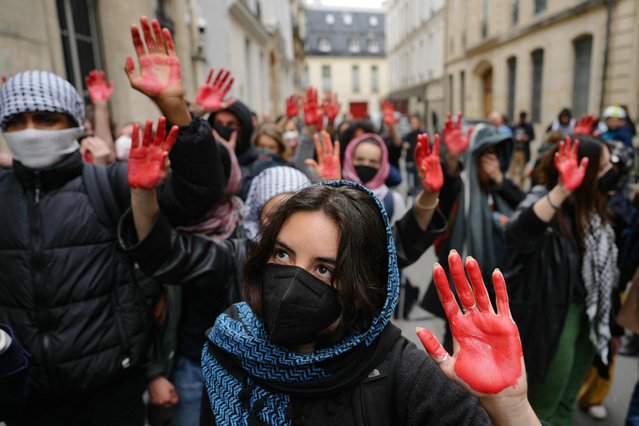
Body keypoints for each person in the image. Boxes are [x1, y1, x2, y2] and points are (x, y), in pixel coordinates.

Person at [120, 136, 541, 424]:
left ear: (361, 282)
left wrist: (509, 407)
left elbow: (395, 246)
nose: (293, 281)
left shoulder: (401, 374)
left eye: (325, 269)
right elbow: (167, 255)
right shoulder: (229, 350)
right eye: (282, 253)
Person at [0, 16, 224, 425]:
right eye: (16, 122)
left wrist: (176, 108)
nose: (30, 132)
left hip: (110, 392)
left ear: (74, 125)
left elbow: (197, 196)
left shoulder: (110, 184)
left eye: (46, 119)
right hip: (27, 395)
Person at [505, 135, 618, 426]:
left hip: (589, 315)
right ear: (587, 172)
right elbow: (516, 234)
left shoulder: (594, 207)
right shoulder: (547, 199)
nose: (611, 171)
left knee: (567, 400)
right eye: (604, 166)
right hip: (555, 315)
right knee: (545, 404)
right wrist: (563, 189)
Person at [420, 120, 525, 350]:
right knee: (457, 347)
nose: (491, 160)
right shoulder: (462, 188)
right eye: (485, 153)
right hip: (462, 290)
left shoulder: (502, 190)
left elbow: (526, 215)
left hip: (498, 288)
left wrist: (500, 180)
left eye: (495, 154)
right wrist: (451, 161)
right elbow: (442, 203)